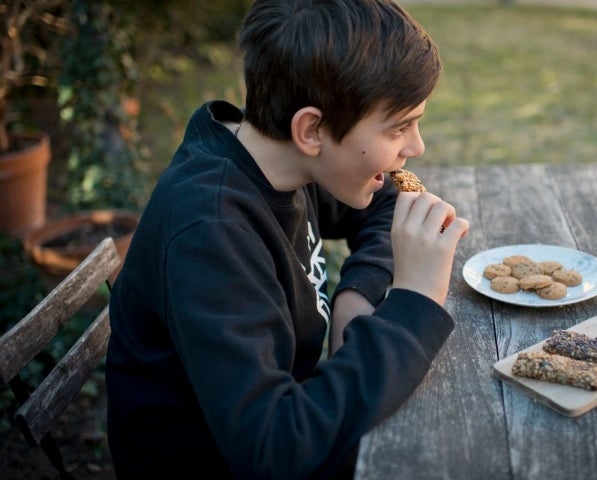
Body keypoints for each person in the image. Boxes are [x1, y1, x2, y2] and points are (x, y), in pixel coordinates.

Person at [105, 0, 470, 478]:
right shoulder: (211, 232)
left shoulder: (282, 159)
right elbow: (273, 448)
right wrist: (413, 304)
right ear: (311, 129)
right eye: (399, 126)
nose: (416, 147)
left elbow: (386, 208)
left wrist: (357, 293)